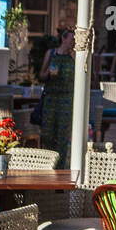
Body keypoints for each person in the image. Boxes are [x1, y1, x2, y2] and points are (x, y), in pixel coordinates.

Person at [38, 27, 75, 169]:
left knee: (63, 135)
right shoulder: (51, 53)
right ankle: (47, 165)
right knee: (47, 133)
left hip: (67, 99)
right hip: (51, 98)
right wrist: (48, 73)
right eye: (71, 39)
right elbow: (41, 76)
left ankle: (60, 167)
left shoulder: (74, 56)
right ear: (63, 39)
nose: (73, 42)